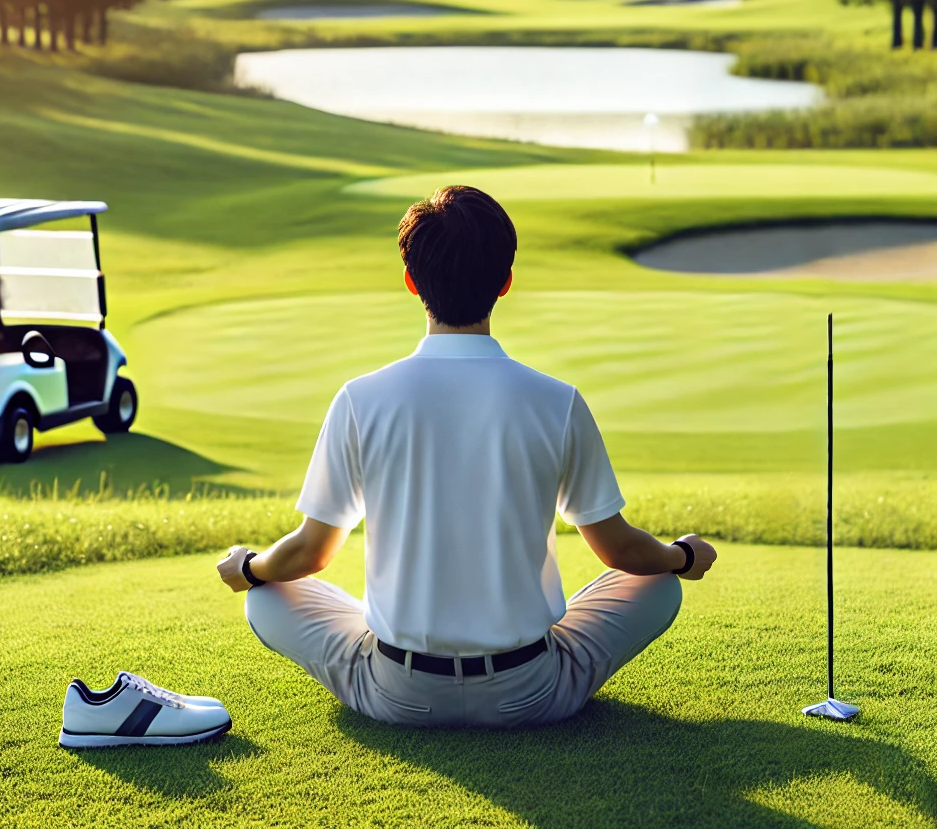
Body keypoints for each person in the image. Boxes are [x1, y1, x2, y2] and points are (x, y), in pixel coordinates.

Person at [217, 185, 717, 728]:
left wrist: (248, 567)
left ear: (411, 282)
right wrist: (682, 557)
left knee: (265, 597)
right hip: (532, 691)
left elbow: (310, 555)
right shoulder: (557, 400)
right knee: (657, 581)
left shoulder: (359, 399)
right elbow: (619, 549)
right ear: (505, 282)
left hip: (397, 692)